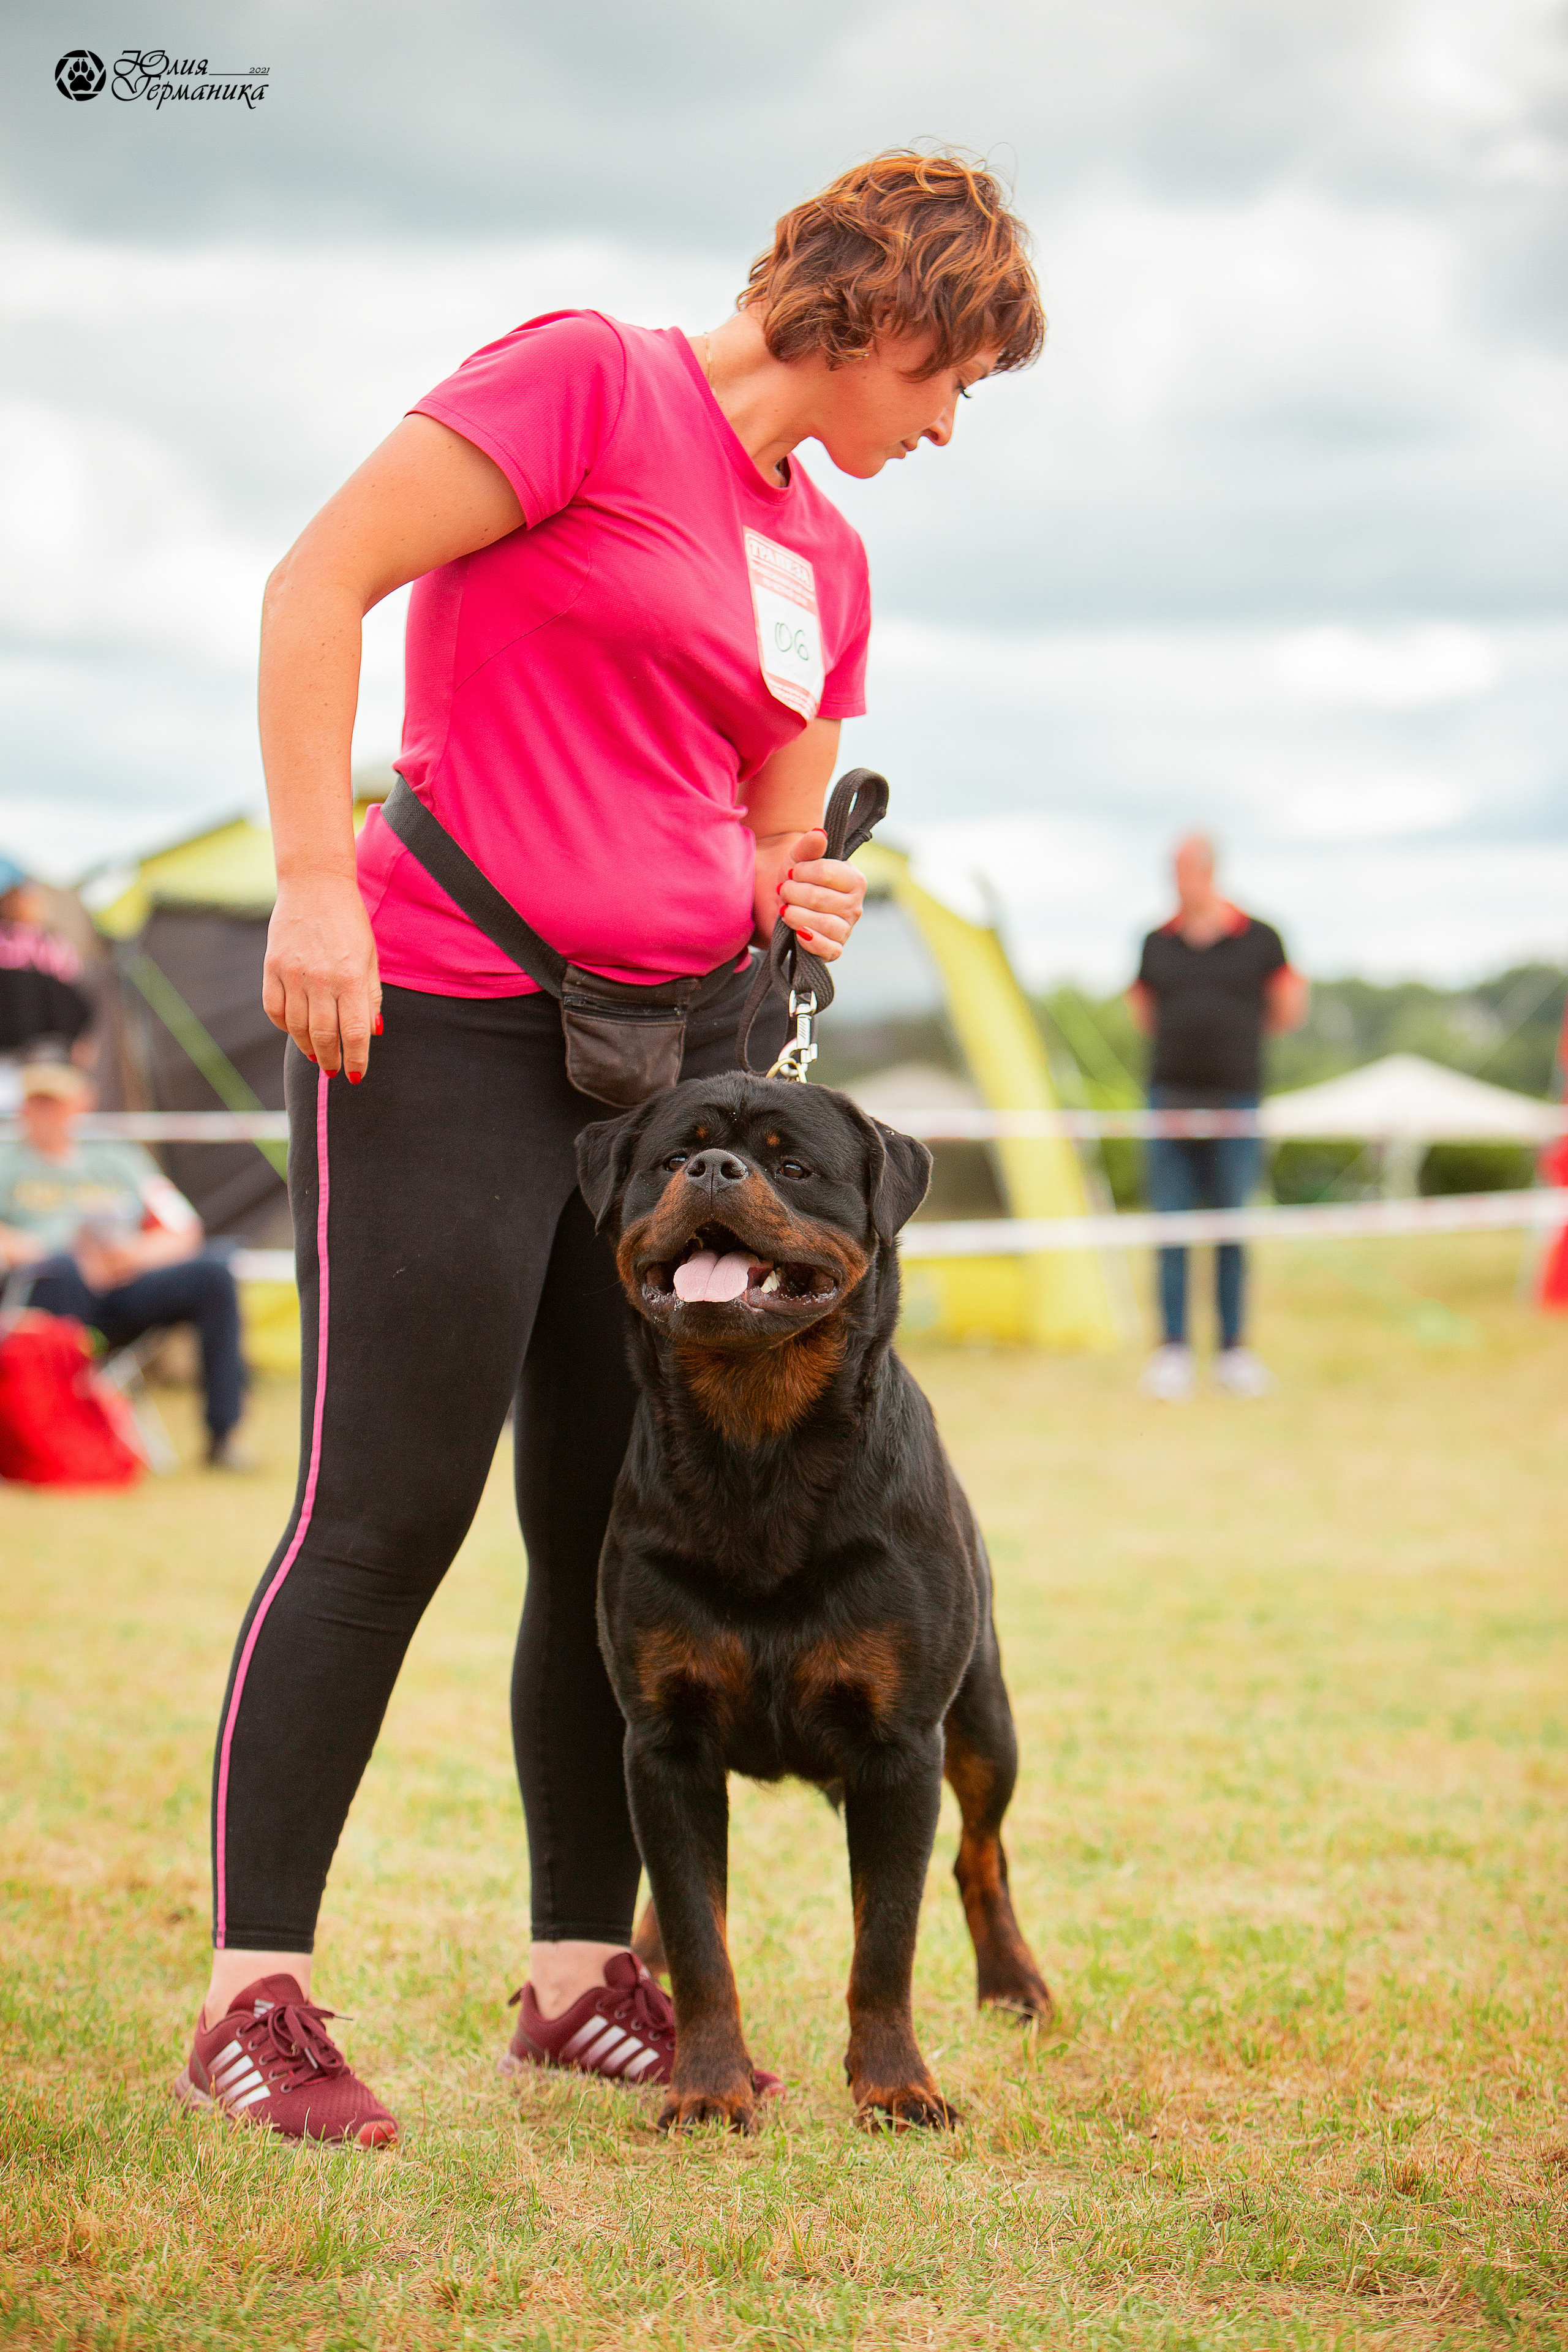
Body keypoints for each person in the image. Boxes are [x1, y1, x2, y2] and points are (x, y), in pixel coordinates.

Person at [175, 151, 1047, 2148]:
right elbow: (318, 582)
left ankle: (583, 1977)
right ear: (891, 307)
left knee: (604, 1534)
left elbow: (769, 826)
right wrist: (317, 880)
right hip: (445, 1013)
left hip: (683, 1066)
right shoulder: (584, 383)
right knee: (382, 1510)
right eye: (956, 378)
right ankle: (252, 2000)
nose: (942, 425)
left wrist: (791, 893)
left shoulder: (826, 562)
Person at [1126, 834, 1308, 1401]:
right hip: (1170, 1099)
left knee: (1232, 1226)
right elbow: (1143, 1011)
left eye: (1186, 870)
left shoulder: (1261, 938)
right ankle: (1173, 1349)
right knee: (1172, 1227)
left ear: (1208, 872)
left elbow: (1288, 1008)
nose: (1180, 880)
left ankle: (1234, 1351)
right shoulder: (1155, 942)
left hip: (1237, 1101)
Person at [0, 1057, 251, 1463]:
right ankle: (59, 1431)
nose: (46, 1113)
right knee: (60, 1271)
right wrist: (57, 1254)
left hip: (123, 1283)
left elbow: (184, 1228)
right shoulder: (7, 1159)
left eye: (56, 1102)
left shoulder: (118, 1159)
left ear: (81, 1103)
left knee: (215, 1272)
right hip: (46, 1292)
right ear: (23, 1107)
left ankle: (223, 1435)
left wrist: (132, 1255)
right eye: (37, 1102)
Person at [0, 859, 95, 1107]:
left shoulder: (54, 944)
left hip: (47, 1053)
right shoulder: (53, 945)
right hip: (34, 1053)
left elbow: (75, 1001)